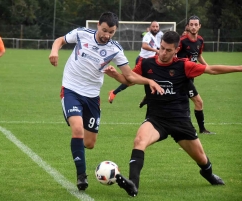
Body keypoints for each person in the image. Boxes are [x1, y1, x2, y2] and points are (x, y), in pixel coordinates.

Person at [105, 31, 242, 197]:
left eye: (168, 50)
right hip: (156, 119)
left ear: (176, 50)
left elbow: (211, 69)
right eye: (161, 48)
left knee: (202, 159)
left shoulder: (184, 65)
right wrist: (115, 76)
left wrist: (239, 68)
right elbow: (130, 80)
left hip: (180, 121)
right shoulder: (147, 63)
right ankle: (133, 185)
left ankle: (209, 175)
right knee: (139, 141)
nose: (163, 53)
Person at [48, 12, 164, 191]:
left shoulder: (115, 49)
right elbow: (60, 40)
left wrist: (146, 80)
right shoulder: (81, 33)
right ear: (98, 25)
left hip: (93, 97)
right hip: (71, 89)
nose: (107, 35)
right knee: (77, 128)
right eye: (104, 30)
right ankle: (81, 176)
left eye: (111, 32)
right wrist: (54, 51)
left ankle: (83, 160)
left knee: (89, 143)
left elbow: (129, 78)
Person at [108, 21, 163, 104]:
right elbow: (144, 46)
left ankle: (147, 98)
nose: (155, 28)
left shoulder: (156, 36)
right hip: (142, 60)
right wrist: (155, 50)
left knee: (153, 78)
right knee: (132, 80)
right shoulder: (147, 36)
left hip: (150, 61)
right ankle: (114, 92)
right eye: (153, 26)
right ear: (150, 27)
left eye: (157, 27)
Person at [177, 15, 213, 134]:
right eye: (191, 24)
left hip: (191, 76)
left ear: (199, 26)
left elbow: (198, 56)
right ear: (188, 26)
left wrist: (206, 67)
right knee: (198, 101)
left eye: (196, 25)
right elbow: (173, 54)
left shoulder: (200, 40)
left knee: (180, 101)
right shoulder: (182, 41)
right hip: (182, 76)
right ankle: (201, 129)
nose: (193, 27)